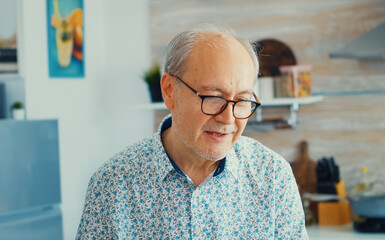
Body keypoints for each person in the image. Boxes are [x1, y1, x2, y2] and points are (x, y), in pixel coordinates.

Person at [76, 24, 307, 239]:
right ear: (169, 90)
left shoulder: (273, 177)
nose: (228, 118)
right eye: (213, 97)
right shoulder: (112, 185)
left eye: (242, 100)